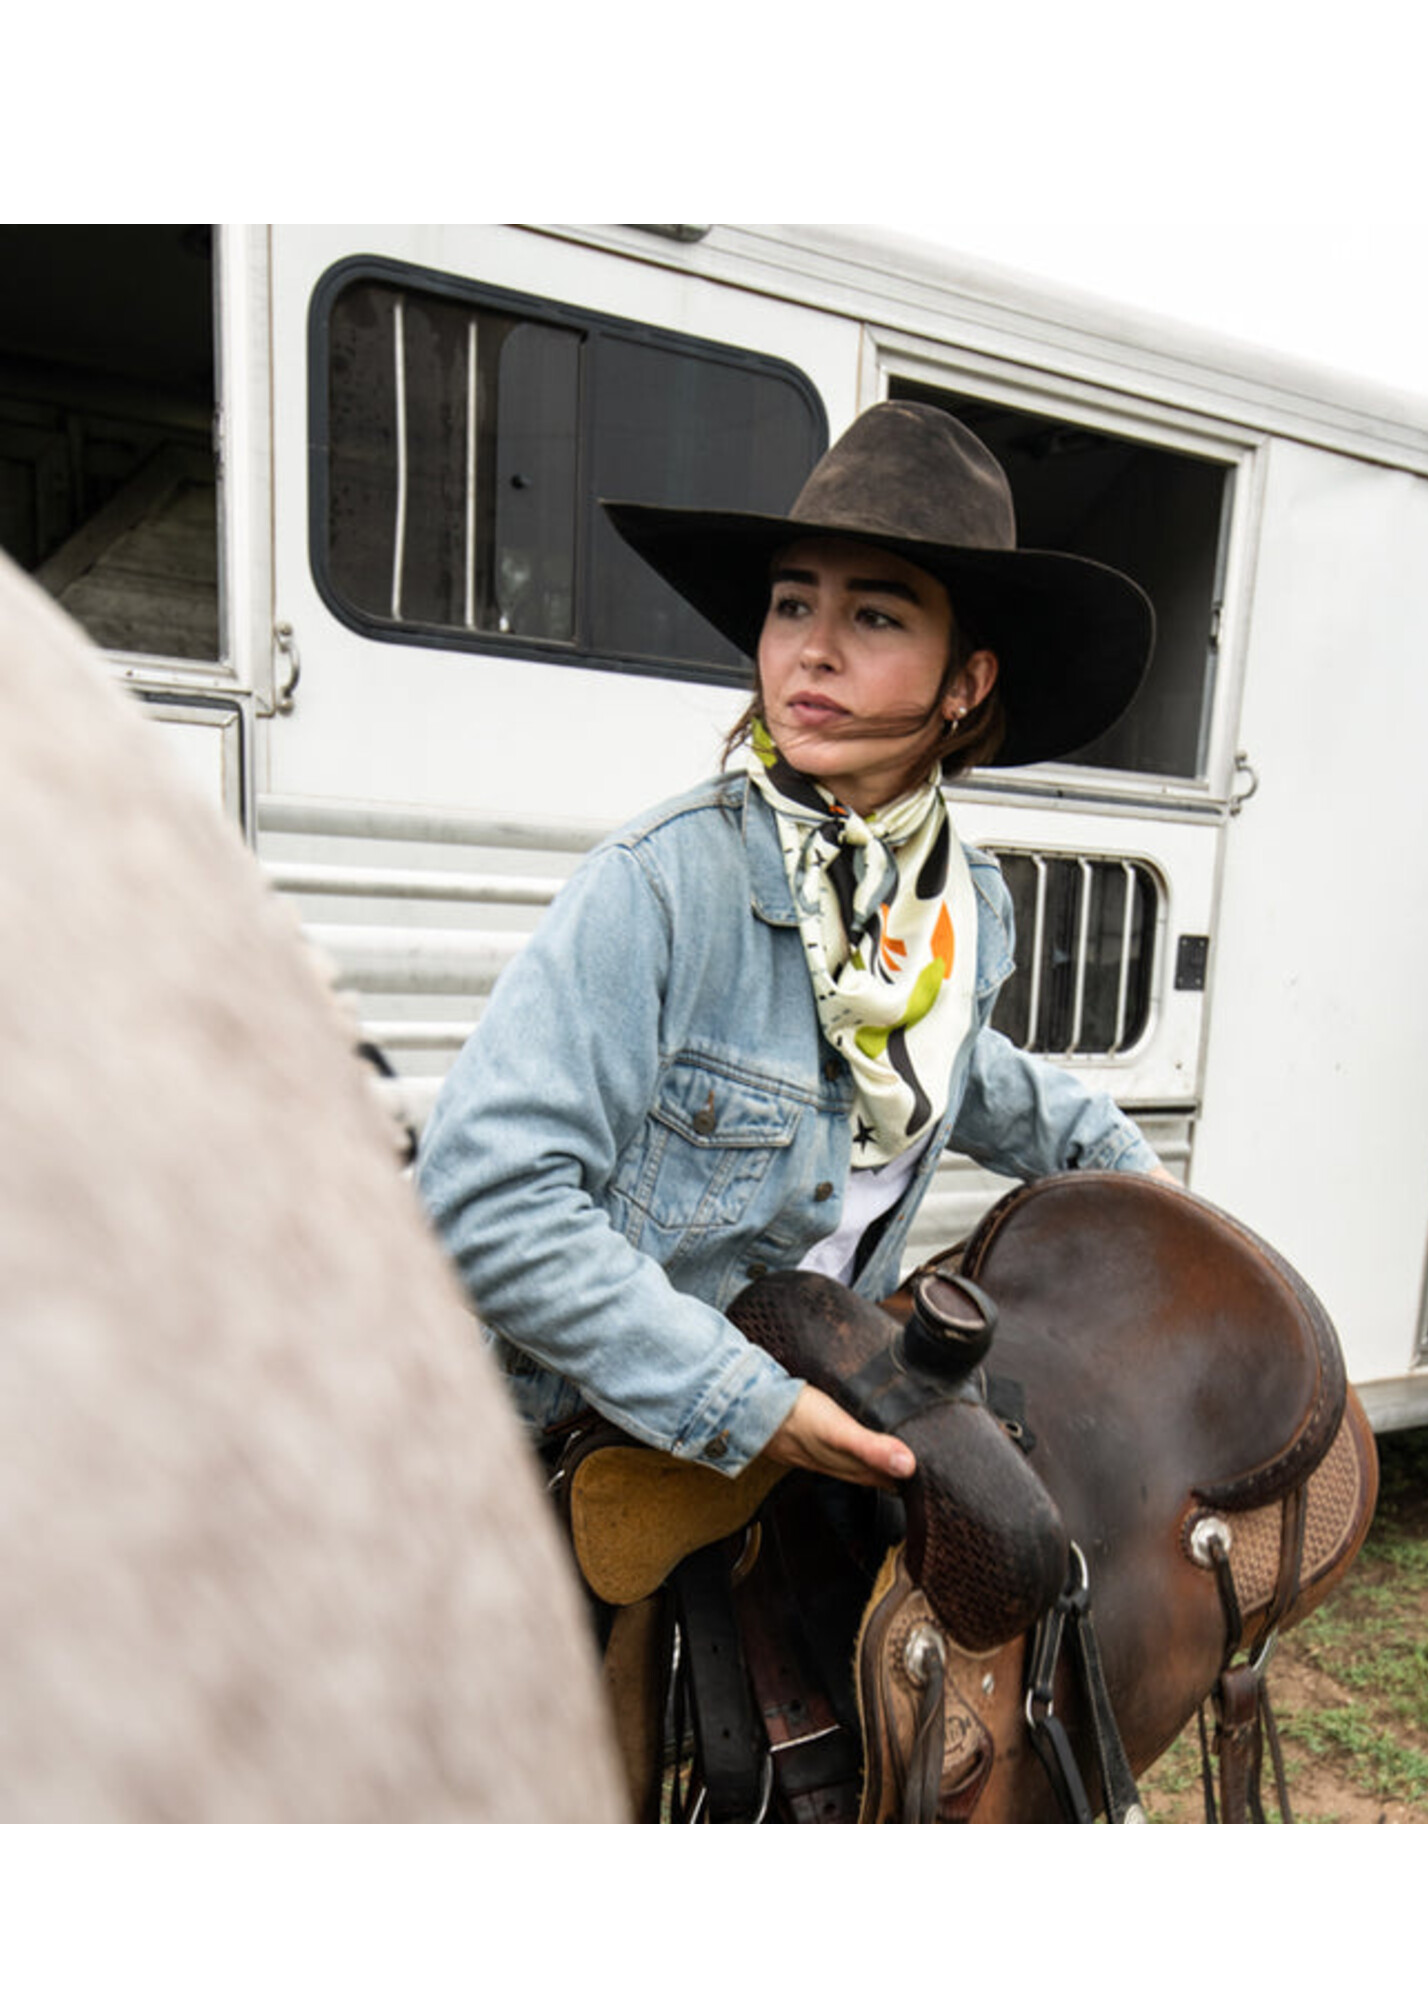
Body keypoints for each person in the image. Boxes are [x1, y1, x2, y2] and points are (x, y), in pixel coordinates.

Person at [417, 401, 1171, 1495]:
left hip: (807, 1429)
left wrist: (1149, 1193)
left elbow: (956, 1063)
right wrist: (745, 1400)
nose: (812, 648)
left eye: (875, 615)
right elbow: (486, 1199)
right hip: (572, 1457)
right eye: (791, 604)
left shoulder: (964, 905)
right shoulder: (665, 883)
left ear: (965, 684)